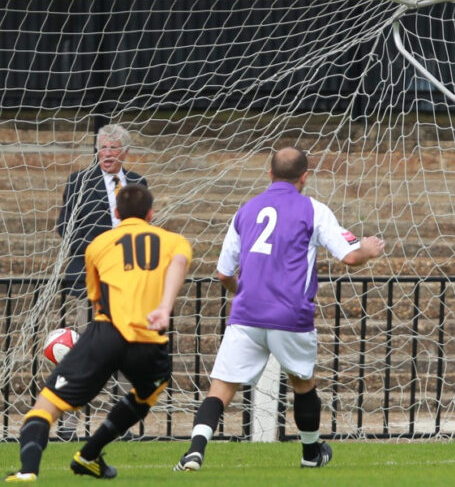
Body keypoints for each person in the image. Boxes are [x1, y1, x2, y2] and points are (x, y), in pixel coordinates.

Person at [174, 147, 385, 472]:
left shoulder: (246, 211)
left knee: (221, 387)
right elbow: (350, 257)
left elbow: (223, 273)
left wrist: (243, 293)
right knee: (302, 383)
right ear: (304, 177)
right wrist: (368, 250)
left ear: (269, 174)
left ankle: (194, 451)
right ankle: (311, 453)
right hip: (290, 315)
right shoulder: (313, 209)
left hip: (247, 314)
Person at [5, 185, 192, 482]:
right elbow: (179, 264)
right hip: (148, 338)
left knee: (47, 403)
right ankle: (89, 454)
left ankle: (28, 471)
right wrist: (164, 307)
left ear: (116, 213)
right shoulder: (175, 241)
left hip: (107, 332)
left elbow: (96, 297)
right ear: (151, 214)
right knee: (147, 392)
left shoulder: (98, 244)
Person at [57, 124, 148, 299]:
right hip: (89, 271)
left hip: (129, 270)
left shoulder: (138, 182)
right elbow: (65, 226)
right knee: (89, 325)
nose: (107, 153)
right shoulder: (79, 181)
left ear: (125, 151)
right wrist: (100, 250)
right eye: (103, 147)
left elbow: (144, 225)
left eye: (113, 148)